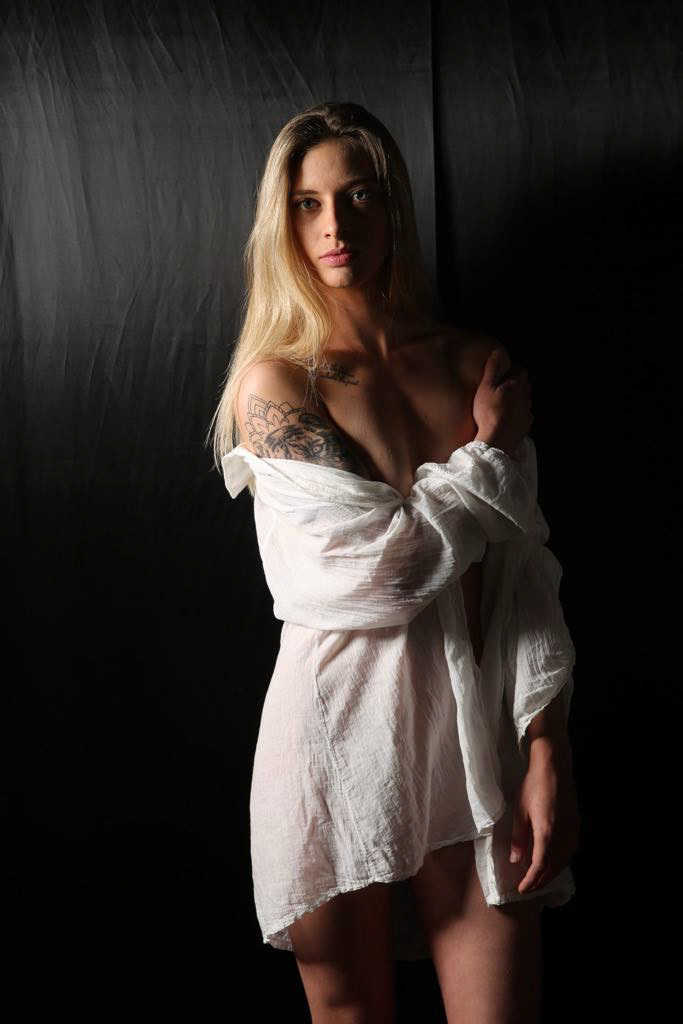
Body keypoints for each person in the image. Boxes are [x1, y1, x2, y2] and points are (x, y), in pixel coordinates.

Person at [208, 102, 580, 1024]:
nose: (335, 225)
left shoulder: (473, 363)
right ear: (282, 220)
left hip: (474, 742)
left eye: (359, 195)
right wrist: (484, 456)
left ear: (394, 206)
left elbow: (524, 579)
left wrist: (546, 747)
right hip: (333, 744)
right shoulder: (277, 383)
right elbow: (377, 574)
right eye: (307, 203)